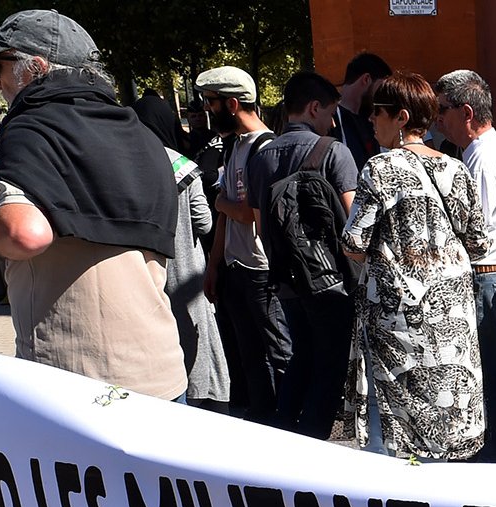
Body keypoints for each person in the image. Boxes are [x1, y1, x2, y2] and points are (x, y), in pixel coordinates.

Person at [0, 11, 183, 396]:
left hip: (77, 380)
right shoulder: (140, 134)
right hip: (161, 369)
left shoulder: (29, 127)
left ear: (36, 67)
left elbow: (24, 234)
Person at [341, 71, 489, 461]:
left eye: (378, 112)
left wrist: (392, 255)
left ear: (401, 117)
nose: (371, 119)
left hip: (397, 314)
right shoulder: (456, 168)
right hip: (452, 309)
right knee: (447, 403)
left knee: (395, 414)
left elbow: (354, 242)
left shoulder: (380, 168)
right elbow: (479, 241)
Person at [246, 71, 359, 436]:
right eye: (330, 113)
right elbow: (353, 223)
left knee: (301, 356)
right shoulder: (334, 152)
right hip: (331, 281)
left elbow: (260, 225)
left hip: (287, 279)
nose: (332, 123)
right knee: (330, 365)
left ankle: (284, 433)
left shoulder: (260, 158)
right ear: (313, 108)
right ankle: (312, 441)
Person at [437, 70, 496, 463]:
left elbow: (475, 231)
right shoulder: (480, 152)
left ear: (467, 112)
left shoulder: (483, 158)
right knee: (492, 366)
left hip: (487, 272)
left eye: (443, 109)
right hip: (493, 271)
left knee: (489, 368)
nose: (439, 119)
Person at [197, 67, 291, 423]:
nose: (208, 110)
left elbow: (249, 212)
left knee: (278, 350)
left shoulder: (266, 148)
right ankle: (262, 416)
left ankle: (289, 418)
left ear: (232, 104)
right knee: (249, 352)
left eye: (212, 102)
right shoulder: (234, 145)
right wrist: (213, 265)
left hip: (261, 269)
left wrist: (221, 202)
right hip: (235, 266)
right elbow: (226, 214)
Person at [152, 132, 230, 411]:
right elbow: (204, 222)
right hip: (184, 268)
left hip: (147, 270)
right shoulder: (182, 166)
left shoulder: (127, 163)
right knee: (196, 341)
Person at [335, 52, 391, 168]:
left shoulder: (374, 119)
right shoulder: (331, 120)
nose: (383, 95)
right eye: (381, 88)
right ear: (366, 79)